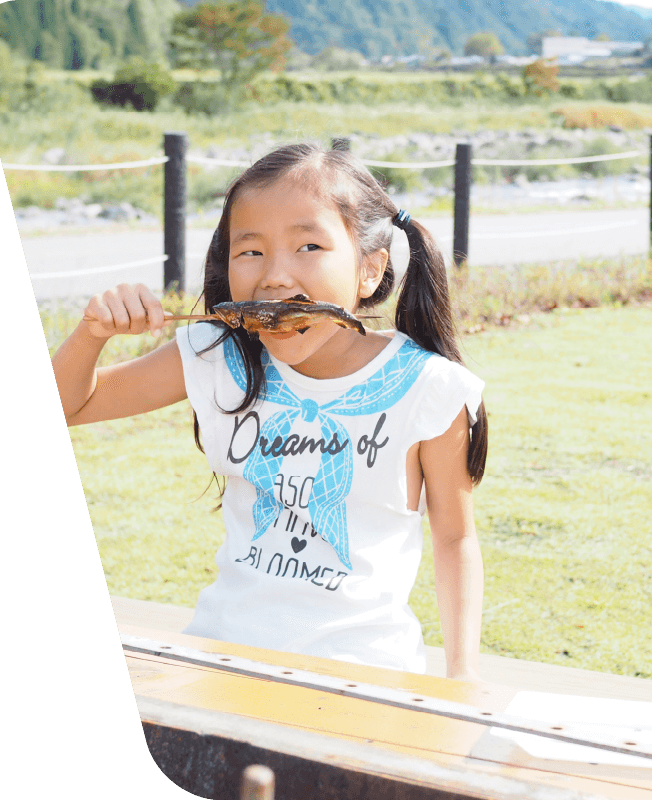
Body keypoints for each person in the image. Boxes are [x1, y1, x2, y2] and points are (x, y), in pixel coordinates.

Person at [52, 143, 488, 680]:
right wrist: (91, 335)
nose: (276, 277)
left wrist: (462, 676)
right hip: (220, 656)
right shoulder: (219, 354)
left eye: (308, 245)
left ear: (370, 271)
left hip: (362, 672)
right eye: (250, 251)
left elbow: (454, 537)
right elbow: (75, 405)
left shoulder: (428, 390)